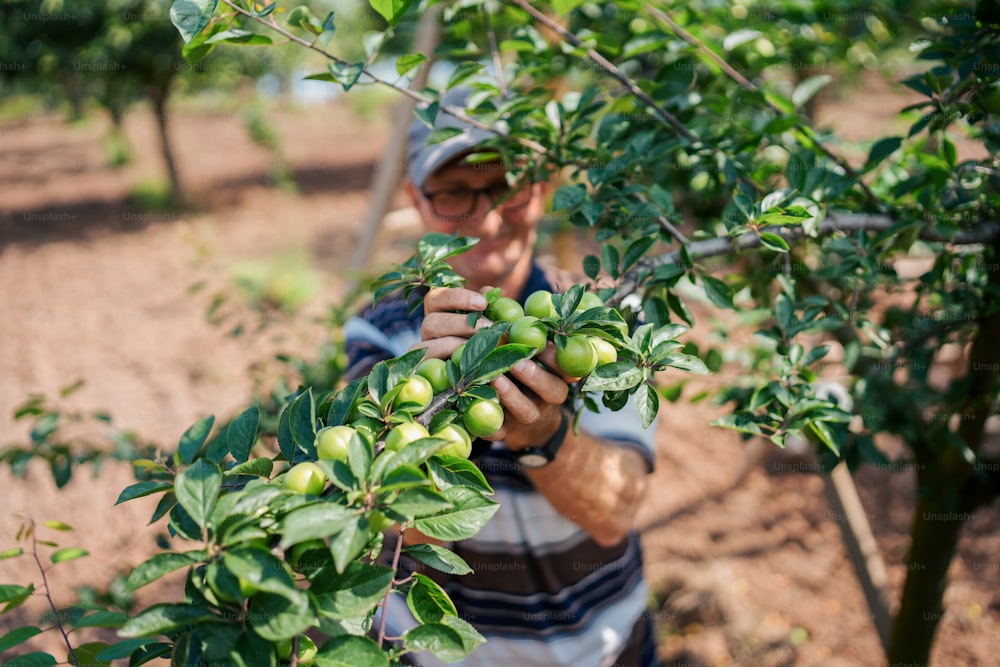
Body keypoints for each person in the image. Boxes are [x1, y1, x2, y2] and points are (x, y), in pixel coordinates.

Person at [343, 87, 660, 667]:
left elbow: (616, 511)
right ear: (417, 198)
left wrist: (543, 434)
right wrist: (431, 386)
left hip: (606, 648)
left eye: (506, 185)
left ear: (540, 189)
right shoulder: (382, 334)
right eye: (454, 192)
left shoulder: (601, 320)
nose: (486, 215)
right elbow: (402, 533)